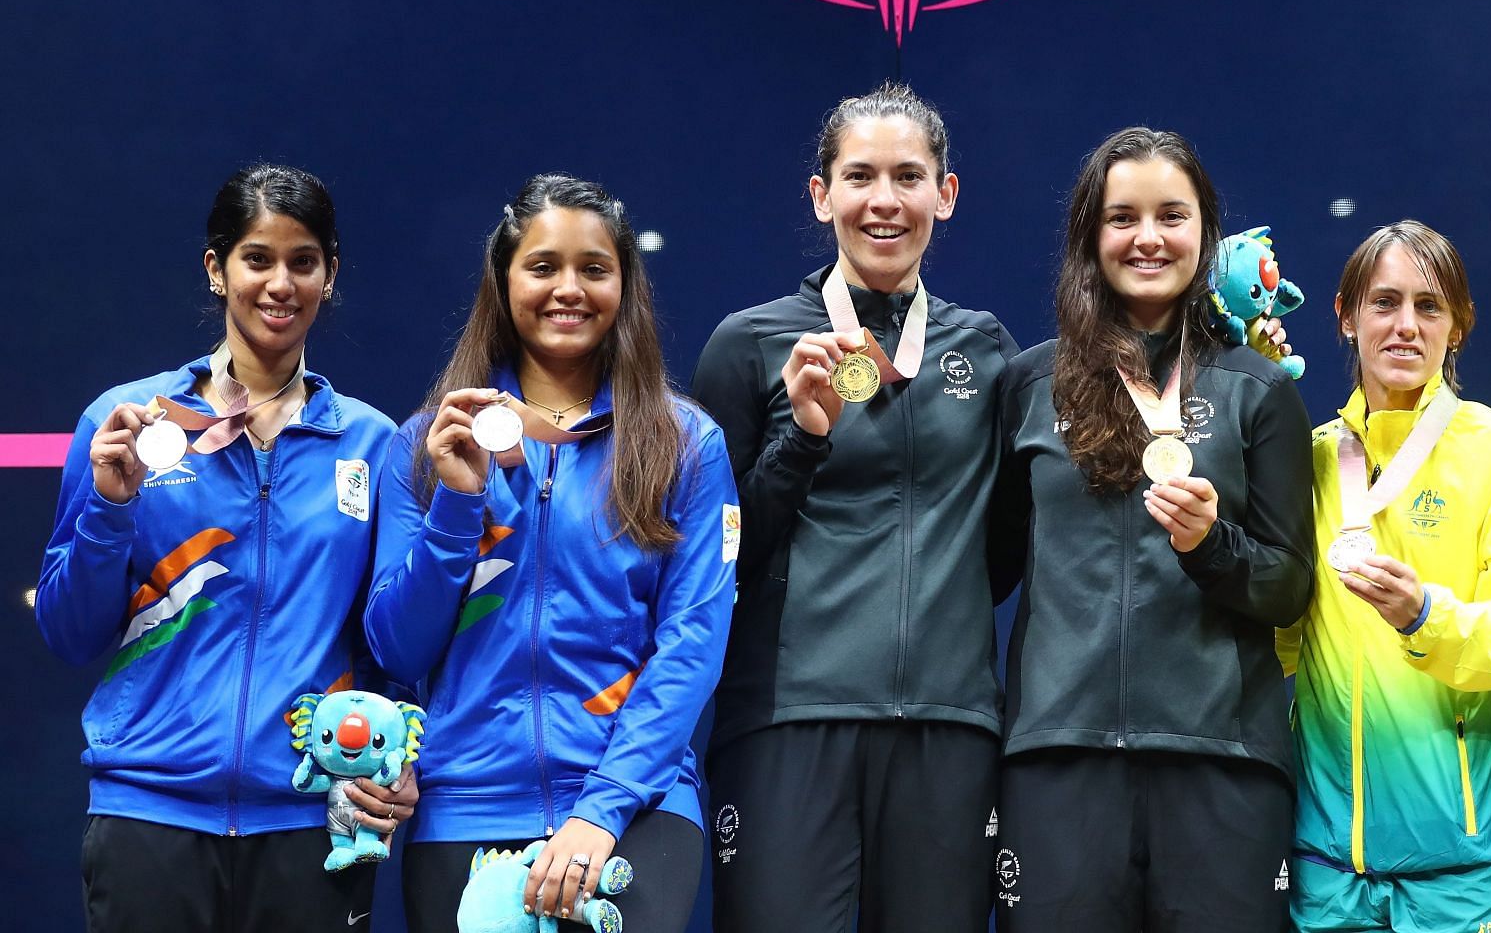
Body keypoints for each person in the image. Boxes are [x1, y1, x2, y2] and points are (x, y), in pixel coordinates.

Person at [38, 164, 409, 933]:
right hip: (150, 816)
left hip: (312, 824)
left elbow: (392, 641)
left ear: (329, 275)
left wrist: (400, 752)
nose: (281, 283)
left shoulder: (371, 443)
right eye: (257, 259)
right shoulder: (126, 424)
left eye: (303, 261)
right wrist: (110, 505)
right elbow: (69, 632)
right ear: (217, 269)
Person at [365, 173, 736, 933]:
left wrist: (601, 811)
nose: (568, 289)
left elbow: (692, 644)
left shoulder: (686, 445)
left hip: (635, 810)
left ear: (624, 285)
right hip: (464, 809)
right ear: (504, 282)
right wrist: (457, 503)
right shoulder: (424, 446)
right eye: (542, 267)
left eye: (593, 269)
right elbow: (396, 648)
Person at [690, 83, 1018, 933]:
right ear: (821, 193)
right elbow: (716, 560)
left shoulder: (985, 351)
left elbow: (1010, 546)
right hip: (788, 721)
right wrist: (799, 442)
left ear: (944, 196)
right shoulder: (752, 343)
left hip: (948, 728)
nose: (884, 200)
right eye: (860, 175)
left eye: (908, 177)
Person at [988, 126, 1315, 933]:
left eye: (1172, 215)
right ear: (1088, 236)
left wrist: (1212, 546)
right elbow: (987, 570)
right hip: (1058, 759)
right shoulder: (1030, 383)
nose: (1147, 238)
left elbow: (1289, 588)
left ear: (1204, 232)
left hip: (1223, 760)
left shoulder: (1258, 389)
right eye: (1122, 217)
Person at [1276, 221, 1491, 932]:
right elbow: (1279, 641)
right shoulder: (1306, 461)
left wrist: (1423, 617)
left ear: (1458, 326)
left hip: (1469, 870)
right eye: (1384, 303)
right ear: (1345, 317)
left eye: (1429, 307)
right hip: (1326, 872)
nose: (1406, 325)